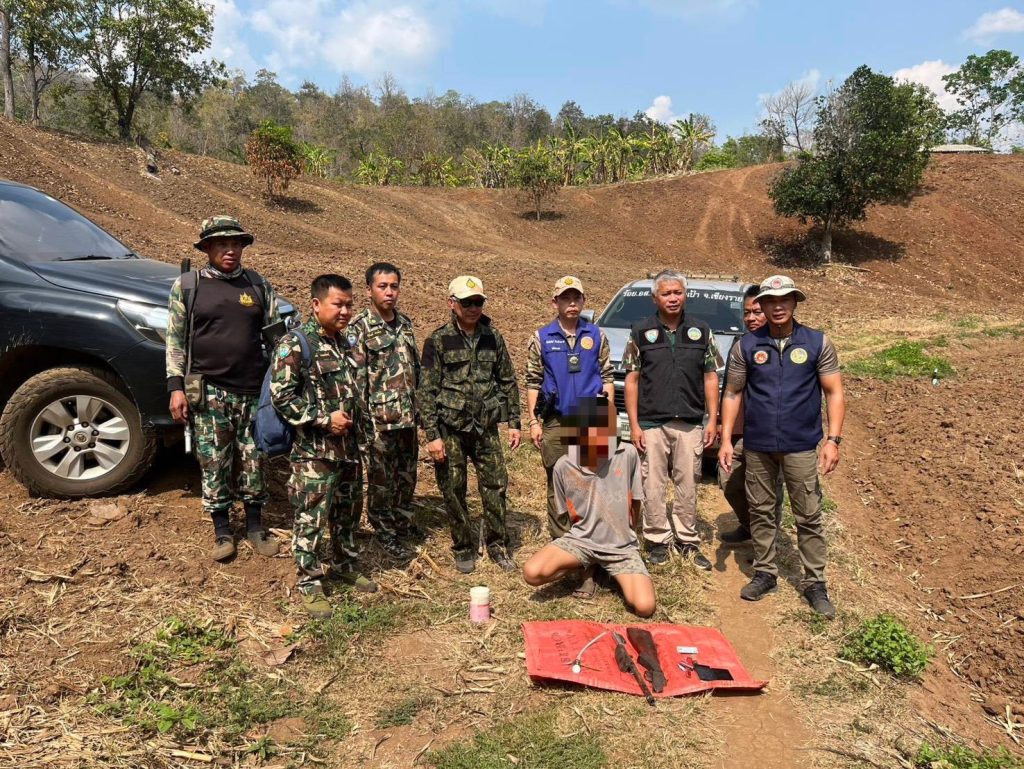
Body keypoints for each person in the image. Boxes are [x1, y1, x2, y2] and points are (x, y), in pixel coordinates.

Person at [719, 275, 846, 618]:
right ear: (761, 304)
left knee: (808, 514)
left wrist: (832, 440)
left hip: (800, 445)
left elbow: (834, 392)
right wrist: (727, 439)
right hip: (758, 444)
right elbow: (732, 392)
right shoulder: (746, 346)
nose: (778, 307)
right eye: (771, 301)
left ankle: (815, 583)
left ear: (794, 302)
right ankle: (765, 573)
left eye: (785, 300)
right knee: (761, 510)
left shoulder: (817, 342)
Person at [165, 215, 280, 562]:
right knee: (214, 462)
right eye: (221, 244)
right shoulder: (189, 286)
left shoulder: (258, 285)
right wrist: (175, 387)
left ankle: (256, 526)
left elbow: (277, 338)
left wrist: (281, 382)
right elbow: (174, 341)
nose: (230, 250)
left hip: (253, 392)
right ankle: (223, 531)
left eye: (235, 244)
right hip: (210, 392)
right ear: (207, 248)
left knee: (255, 461)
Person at [270, 274, 377, 618]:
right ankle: (310, 582)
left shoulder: (346, 344)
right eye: (338, 304)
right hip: (314, 454)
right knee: (311, 518)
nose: (345, 311)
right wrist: (322, 419)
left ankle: (345, 565)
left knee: (348, 513)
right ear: (316, 305)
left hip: (349, 451)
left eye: (349, 305)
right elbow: (282, 397)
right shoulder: (296, 344)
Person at [418, 276, 521, 574]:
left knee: (496, 485)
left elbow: (507, 380)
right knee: (453, 488)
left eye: (478, 302)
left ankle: (497, 544)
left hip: (485, 427)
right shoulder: (438, 340)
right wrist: (432, 435)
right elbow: (426, 391)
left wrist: (515, 422)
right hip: (451, 428)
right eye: (467, 303)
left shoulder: (493, 337)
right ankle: (463, 546)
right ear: (452, 304)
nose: (474, 308)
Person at [622, 269, 720, 570]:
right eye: (666, 293)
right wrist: (634, 424)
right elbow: (632, 380)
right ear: (655, 297)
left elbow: (711, 376)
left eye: (678, 292)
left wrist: (712, 420)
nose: (673, 298)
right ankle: (657, 540)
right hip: (651, 422)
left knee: (688, 482)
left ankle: (687, 539)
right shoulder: (640, 331)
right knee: (652, 483)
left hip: (689, 422)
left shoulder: (701, 330)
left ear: (685, 295)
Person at [522, 397, 655, 618]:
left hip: (621, 548)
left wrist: (629, 534)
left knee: (644, 606)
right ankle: (585, 566)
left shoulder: (627, 454)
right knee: (532, 573)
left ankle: (609, 571)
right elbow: (568, 518)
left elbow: (636, 502)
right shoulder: (563, 466)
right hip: (581, 542)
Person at [525, 276, 614, 539]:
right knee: (557, 481)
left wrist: (606, 415)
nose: (572, 303)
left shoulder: (596, 335)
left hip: (591, 415)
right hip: (556, 419)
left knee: (594, 481)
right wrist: (533, 422)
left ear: (584, 301)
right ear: (555, 302)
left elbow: (607, 377)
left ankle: (591, 538)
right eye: (566, 298)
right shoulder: (541, 337)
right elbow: (533, 381)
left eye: (577, 298)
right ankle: (562, 540)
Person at [351, 262, 422, 560]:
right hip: (379, 422)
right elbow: (357, 382)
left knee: (407, 475)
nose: (389, 292)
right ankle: (384, 530)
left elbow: (414, 369)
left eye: (394, 286)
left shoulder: (404, 323)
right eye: (382, 286)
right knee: (382, 480)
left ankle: (402, 522)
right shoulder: (360, 327)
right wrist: (363, 425)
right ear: (369, 290)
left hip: (407, 417)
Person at [718, 285, 783, 545]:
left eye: (757, 312)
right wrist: (723, 427)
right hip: (739, 430)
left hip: (769, 433)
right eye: (747, 312)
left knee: (768, 490)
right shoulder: (740, 344)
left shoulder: (782, 346)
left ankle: (766, 544)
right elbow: (730, 390)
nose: (751, 318)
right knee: (729, 481)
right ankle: (750, 526)